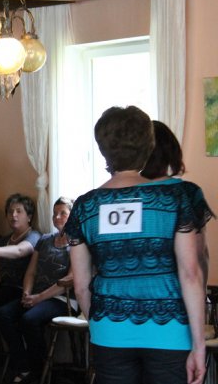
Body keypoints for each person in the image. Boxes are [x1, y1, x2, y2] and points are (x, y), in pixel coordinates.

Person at [65, 106, 212, 384]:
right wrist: (199, 344)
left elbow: (81, 285)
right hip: (169, 332)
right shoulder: (175, 197)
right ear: (148, 145)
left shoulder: (85, 206)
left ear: (103, 149)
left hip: (109, 331)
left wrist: (99, 327)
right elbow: (191, 273)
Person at [0, 197, 75, 384]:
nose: (57, 217)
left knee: (29, 319)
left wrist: (39, 298)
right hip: (36, 295)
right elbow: (31, 271)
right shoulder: (45, 240)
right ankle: (23, 365)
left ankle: (37, 372)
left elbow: (70, 280)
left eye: (63, 213)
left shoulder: (77, 243)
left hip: (62, 299)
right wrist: (27, 293)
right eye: (55, 213)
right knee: (3, 315)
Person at [140, 120, 212, 285]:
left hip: (126, 293)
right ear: (171, 152)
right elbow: (200, 253)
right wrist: (202, 293)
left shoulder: (121, 195)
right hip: (175, 289)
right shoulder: (187, 192)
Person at [0, 194, 42, 314]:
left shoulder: (34, 236)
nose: (13, 215)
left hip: (20, 290)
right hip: (3, 287)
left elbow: (20, 250)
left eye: (19, 211)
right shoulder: (4, 240)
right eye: (10, 212)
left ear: (29, 217)